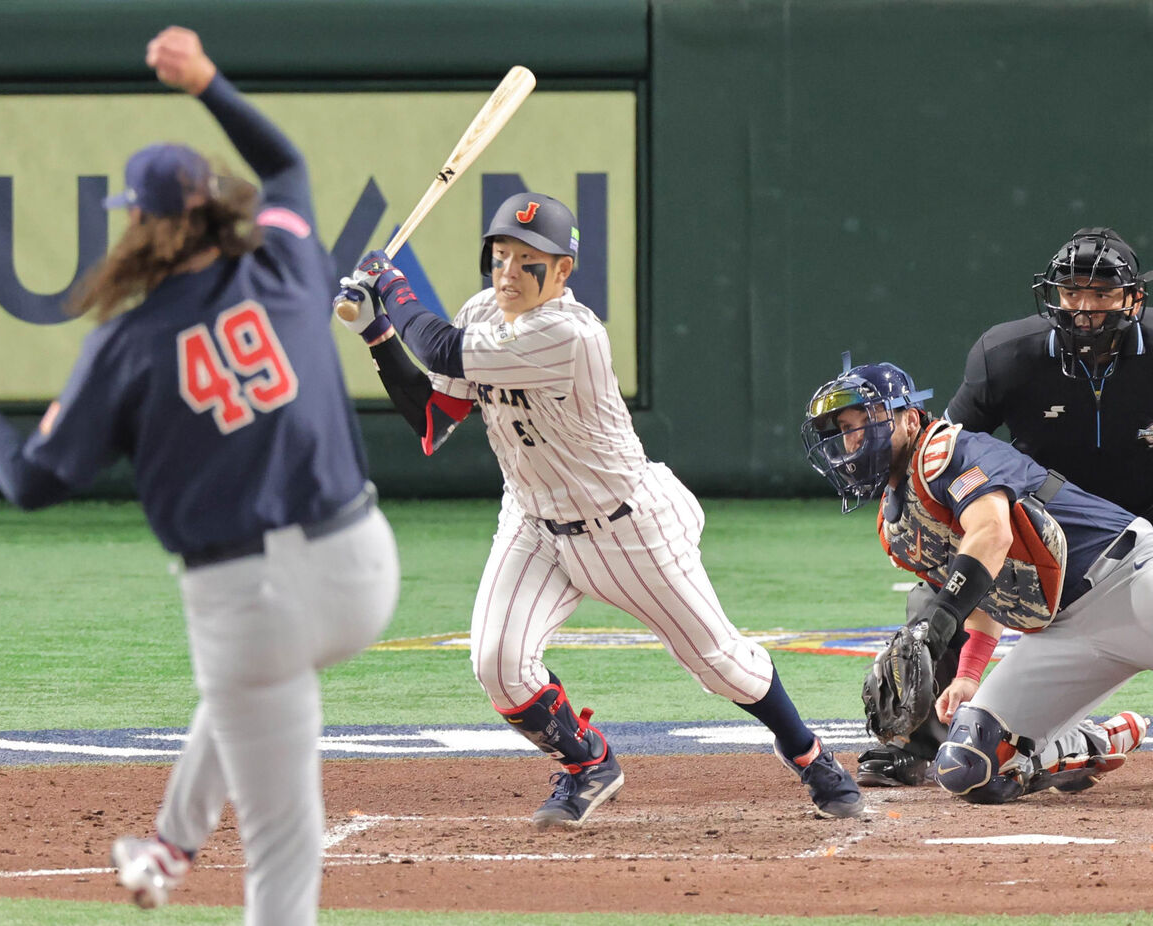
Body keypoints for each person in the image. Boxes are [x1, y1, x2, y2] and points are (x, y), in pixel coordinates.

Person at [0, 27, 398, 925]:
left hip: (246, 604)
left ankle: (172, 849)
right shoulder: (284, 261)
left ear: (147, 225)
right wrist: (206, 82)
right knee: (247, 697)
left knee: (280, 836)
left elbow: (32, 484)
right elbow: (285, 163)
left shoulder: (125, 344)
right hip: (361, 571)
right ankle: (168, 844)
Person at [329, 192, 864, 825]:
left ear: (562, 272)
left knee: (724, 667)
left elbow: (444, 350)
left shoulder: (570, 334)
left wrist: (393, 283)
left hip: (624, 526)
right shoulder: (482, 312)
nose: (508, 272)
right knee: (498, 665)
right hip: (532, 519)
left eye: (529, 260)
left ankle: (809, 754)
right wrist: (376, 331)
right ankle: (587, 762)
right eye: (500, 255)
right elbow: (431, 419)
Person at [856, 226, 1153, 788]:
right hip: (1044, 534)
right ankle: (916, 742)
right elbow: (942, 461)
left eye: (1101, 293)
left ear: (1134, 297)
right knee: (943, 581)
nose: (1083, 308)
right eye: (1071, 292)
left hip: (1129, 551)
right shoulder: (1008, 355)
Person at [801, 358, 1149, 803]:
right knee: (969, 767)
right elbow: (989, 588)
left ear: (908, 419)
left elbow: (992, 533)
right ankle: (1092, 742)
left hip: (1127, 580)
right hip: (1062, 635)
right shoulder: (897, 525)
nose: (847, 443)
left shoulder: (943, 451)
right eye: (838, 433)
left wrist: (939, 624)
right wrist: (968, 674)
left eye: (856, 425)